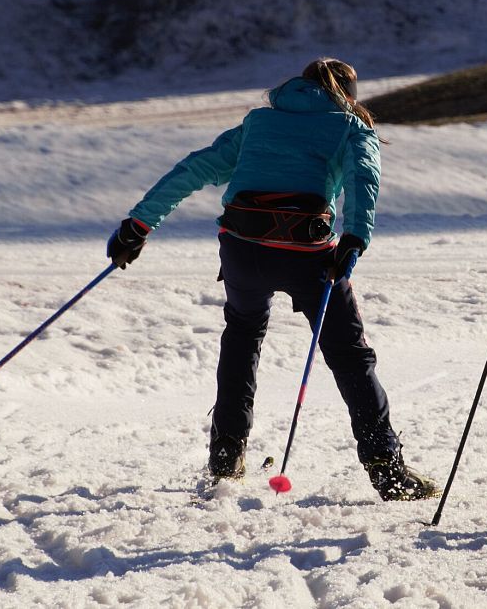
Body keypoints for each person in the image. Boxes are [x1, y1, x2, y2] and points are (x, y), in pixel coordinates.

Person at [106, 58, 439, 501]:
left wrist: (138, 226)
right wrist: (354, 239)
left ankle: (225, 458)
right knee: (349, 355)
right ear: (349, 95)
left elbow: (194, 169)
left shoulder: (259, 123)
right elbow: (364, 180)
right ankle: (387, 470)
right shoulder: (350, 127)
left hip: (243, 249)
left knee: (243, 336)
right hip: (308, 256)